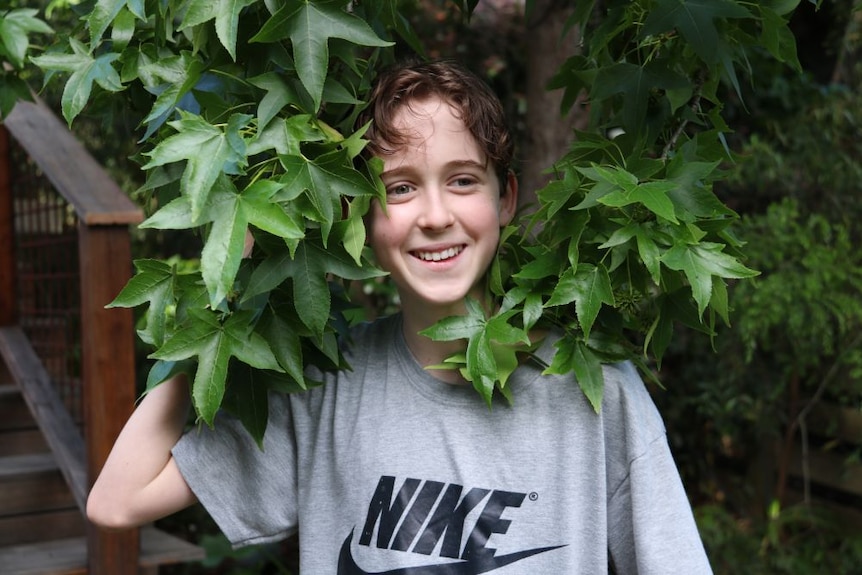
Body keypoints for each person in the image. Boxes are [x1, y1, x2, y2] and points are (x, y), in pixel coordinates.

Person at [87, 59, 713, 574]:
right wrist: (226, 299)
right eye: (401, 187)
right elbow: (117, 501)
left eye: (464, 180)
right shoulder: (325, 382)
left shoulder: (596, 389)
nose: (435, 214)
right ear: (359, 212)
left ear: (507, 199)